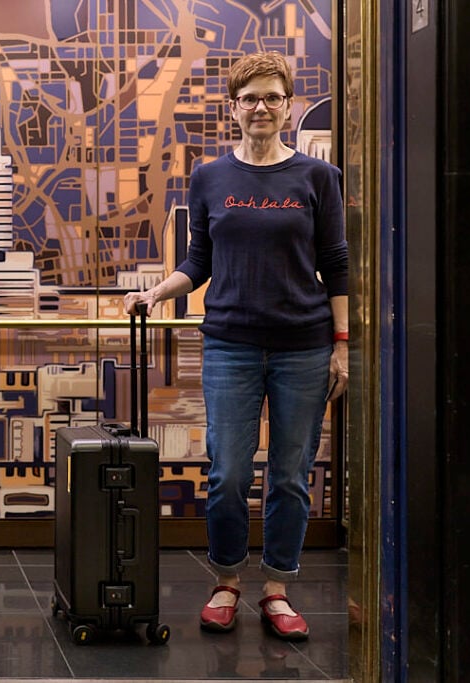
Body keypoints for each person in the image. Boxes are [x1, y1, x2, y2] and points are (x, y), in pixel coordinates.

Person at [123, 51, 349, 640]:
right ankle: (226, 581)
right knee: (225, 473)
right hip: (230, 344)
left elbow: (336, 264)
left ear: (288, 104)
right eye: (250, 98)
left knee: (290, 474)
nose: (262, 107)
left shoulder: (318, 178)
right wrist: (156, 292)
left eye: (273, 97)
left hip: (304, 345)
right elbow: (199, 261)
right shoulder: (210, 177)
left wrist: (342, 343)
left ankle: (277, 589)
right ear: (234, 107)